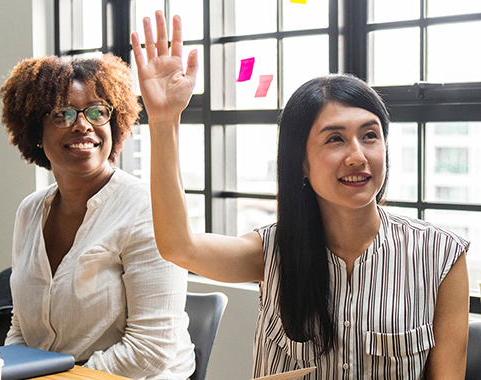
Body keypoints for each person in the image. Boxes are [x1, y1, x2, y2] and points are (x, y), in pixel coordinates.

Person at [131, 10, 470, 379]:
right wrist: (164, 120)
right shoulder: (272, 250)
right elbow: (179, 247)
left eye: (370, 135)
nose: (358, 155)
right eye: (335, 139)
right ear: (302, 164)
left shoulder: (440, 256)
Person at [0, 53, 195, 380]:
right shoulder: (30, 211)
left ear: (114, 124)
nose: (82, 124)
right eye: (62, 114)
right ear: (36, 129)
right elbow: (22, 328)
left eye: (97, 112)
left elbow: (150, 350)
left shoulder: (146, 208)